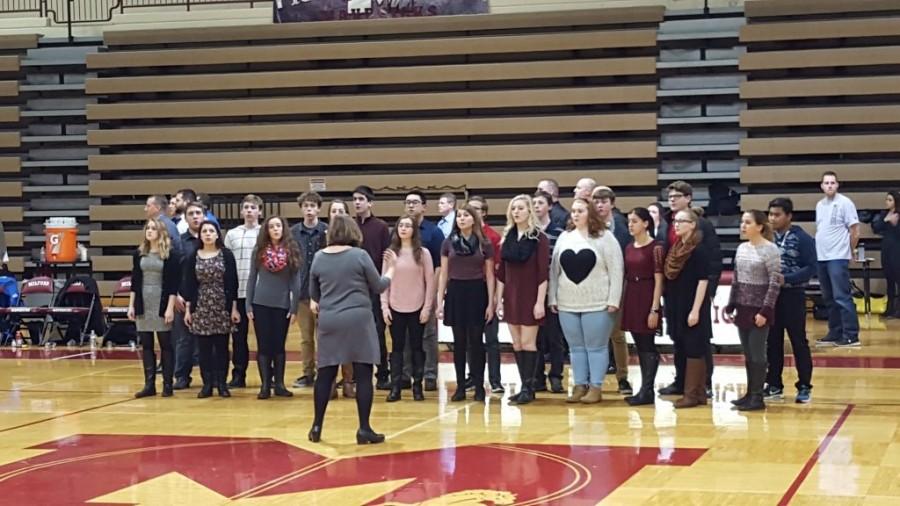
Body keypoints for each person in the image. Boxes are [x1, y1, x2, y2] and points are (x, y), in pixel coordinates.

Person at [308, 215, 396, 444]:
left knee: (325, 373)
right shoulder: (360, 255)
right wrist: (391, 271)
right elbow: (378, 286)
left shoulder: (318, 257)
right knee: (364, 373)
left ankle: (317, 425)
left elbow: (314, 293)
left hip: (329, 319)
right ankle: (364, 428)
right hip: (358, 318)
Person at [549, 198, 623, 404]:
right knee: (575, 347)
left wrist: (614, 299)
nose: (575, 214)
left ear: (590, 213)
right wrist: (552, 297)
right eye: (573, 211)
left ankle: (596, 386)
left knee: (596, 346)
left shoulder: (605, 237)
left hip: (598, 302)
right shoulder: (565, 237)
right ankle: (580, 385)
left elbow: (616, 270)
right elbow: (555, 270)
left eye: (580, 211)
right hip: (567, 302)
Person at [659, 181, 721, 396]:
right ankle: (681, 380)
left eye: (677, 196)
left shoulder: (702, 225)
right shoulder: (667, 223)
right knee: (678, 337)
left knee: (699, 338)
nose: (672, 199)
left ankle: (704, 383)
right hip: (674, 290)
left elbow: (713, 261)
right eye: (670, 196)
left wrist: (710, 291)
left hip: (695, 290)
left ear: (689, 198)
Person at [436, 204, 495, 402]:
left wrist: (491, 303)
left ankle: (479, 385)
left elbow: (490, 274)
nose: (461, 219)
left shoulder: (483, 243)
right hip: (455, 292)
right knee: (459, 342)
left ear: (474, 219)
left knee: (476, 342)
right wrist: (439, 300)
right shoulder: (448, 242)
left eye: (466, 215)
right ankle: (460, 386)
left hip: (477, 292)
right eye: (459, 216)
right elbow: (444, 273)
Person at [725, 210, 782, 412]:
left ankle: (758, 396)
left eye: (747, 222)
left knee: (758, 354)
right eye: (742, 222)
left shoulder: (770, 250)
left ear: (759, 226)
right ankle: (750, 393)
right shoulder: (741, 248)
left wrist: (765, 311)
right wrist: (731, 303)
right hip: (743, 308)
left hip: (760, 310)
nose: (743, 226)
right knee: (748, 354)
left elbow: (775, 284)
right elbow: (736, 279)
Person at [496, 195, 549, 405]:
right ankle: (523, 385)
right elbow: (502, 273)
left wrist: (539, 302)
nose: (516, 212)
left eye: (520, 208)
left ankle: (530, 386)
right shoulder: (507, 236)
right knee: (516, 343)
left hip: (530, 295)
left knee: (528, 342)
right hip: (511, 295)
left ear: (529, 211)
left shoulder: (539, 238)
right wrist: (498, 300)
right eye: (513, 209)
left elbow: (543, 272)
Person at [183, 221, 240, 399]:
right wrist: (188, 310)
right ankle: (207, 384)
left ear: (217, 235)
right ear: (200, 235)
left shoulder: (226, 255)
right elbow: (189, 285)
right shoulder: (193, 255)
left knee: (222, 347)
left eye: (211, 231)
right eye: (204, 231)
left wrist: (234, 309)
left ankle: (222, 383)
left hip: (221, 305)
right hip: (201, 305)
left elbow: (233, 283)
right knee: (204, 348)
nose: (208, 234)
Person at [247, 216, 302, 400]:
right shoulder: (259, 250)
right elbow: (252, 278)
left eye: (278, 226)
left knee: (278, 345)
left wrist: (294, 308)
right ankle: (264, 385)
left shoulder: (291, 250)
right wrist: (248, 304)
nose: (275, 229)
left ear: (283, 229)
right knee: (264, 346)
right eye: (272, 226)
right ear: (267, 230)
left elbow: (296, 281)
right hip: (260, 303)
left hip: (282, 304)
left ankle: (279, 384)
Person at [766, 198, 816, 404]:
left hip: (793, 296)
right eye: (770, 214)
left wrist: (788, 279)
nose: (772, 218)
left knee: (798, 341)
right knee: (773, 342)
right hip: (770, 297)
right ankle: (774, 384)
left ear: (789, 216)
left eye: (777, 215)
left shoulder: (802, 238)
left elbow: (812, 267)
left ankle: (804, 385)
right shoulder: (766, 237)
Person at [381, 215, 435, 402]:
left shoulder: (423, 253)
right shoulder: (390, 253)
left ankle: (417, 386)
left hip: (417, 307)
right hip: (395, 306)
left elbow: (430, 282)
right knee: (397, 348)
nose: (403, 228)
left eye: (408, 226)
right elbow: (384, 282)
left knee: (416, 347)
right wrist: (385, 307)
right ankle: (395, 387)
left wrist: (427, 308)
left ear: (414, 230)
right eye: (400, 225)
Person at [664, 209, 712, 409]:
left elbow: (703, 281)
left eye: (682, 221)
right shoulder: (676, 246)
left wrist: (695, 310)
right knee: (682, 344)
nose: (677, 224)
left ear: (692, 224)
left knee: (694, 346)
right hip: (677, 302)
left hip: (693, 304)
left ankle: (691, 393)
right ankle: (699, 392)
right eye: (675, 221)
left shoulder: (698, 249)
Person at [128, 218, 181, 398]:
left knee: (165, 344)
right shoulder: (139, 253)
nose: (149, 231)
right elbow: (135, 281)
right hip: (143, 299)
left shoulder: (170, 254)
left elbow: (172, 285)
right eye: (147, 228)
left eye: (153, 228)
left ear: (161, 232)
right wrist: (131, 305)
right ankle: (149, 384)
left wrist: (169, 308)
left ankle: (167, 384)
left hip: (161, 300)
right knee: (147, 344)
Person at [620, 208, 664, 406]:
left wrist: (654, 308)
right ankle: (645, 389)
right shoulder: (629, 247)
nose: (630, 224)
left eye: (635, 221)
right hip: (632, 294)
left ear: (646, 223)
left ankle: (647, 389)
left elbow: (659, 279)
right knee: (639, 343)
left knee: (647, 345)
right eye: (629, 221)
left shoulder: (656, 248)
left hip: (647, 294)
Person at [592, 186, 632, 395]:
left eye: (604, 201)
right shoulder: (586, 227)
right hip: (593, 287)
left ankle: (623, 377)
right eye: (596, 201)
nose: (600, 205)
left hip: (616, 285)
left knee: (617, 334)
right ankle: (592, 380)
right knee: (593, 336)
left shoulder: (622, 227)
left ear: (612, 204)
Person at [403, 191, 444, 392]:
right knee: (405, 334)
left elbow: (439, 265)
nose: (411, 206)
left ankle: (429, 374)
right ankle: (405, 373)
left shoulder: (434, 232)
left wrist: (433, 290)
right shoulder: (400, 230)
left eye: (415, 202)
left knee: (428, 334)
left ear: (424, 207)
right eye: (408, 203)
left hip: (426, 290)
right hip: (404, 292)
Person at [814, 171, 861, 347]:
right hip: (822, 256)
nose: (830, 186)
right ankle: (835, 332)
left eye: (833, 182)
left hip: (837, 256)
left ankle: (851, 335)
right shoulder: (820, 205)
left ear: (838, 185)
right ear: (821, 186)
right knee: (829, 297)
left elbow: (855, 230)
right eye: (826, 183)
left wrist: (851, 250)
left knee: (842, 296)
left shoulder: (845, 203)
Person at [353, 185, 392, 389]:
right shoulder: (350, 226)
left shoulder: (381, 227)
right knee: (355, 332)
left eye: (361, 199)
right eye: (355, 199)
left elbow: (386, 257)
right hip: (354, 287)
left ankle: (383, 373)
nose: (357, 202)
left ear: (370, 202)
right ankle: (356, 374)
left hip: (375, 286)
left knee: (377, 331)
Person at [223, 194, 262, 388]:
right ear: (241, 211)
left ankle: (268, 376)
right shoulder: (232, 234)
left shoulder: (264, 233)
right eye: (246, 207)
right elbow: (227, 264)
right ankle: (239, 375)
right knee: (238, 338)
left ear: (259, 211)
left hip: (260, 293)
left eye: (253, 208)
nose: (249, 211)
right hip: (238, 294)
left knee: (264, 337)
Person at [290, 192, 328, 388]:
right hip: (302, 293)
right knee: (306, 338)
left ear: (319, 208)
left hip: (325, 293)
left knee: (324, 336)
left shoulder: (327, 231)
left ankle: (325, 372)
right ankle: (307, 373)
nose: (309, 209)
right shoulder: (293, 232)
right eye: (306, 206)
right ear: (301, 208)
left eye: (313, 206)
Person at [466, 195, 503, 393]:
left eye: (477, 209)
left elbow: (497, 271)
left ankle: (495, 380)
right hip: (468, 292)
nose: (473, 212)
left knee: (491, 339)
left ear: (484, 212)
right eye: (469, 209)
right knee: (472, 339)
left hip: (487, 290)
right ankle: (473, 378)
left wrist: (495, 298)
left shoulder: (493, 237)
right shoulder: (461, 236)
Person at [532, 191, 566, 394]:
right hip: (533, 289)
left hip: (553, 289)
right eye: (534, 203)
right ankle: (537, 377)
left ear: (550, 206)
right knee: (535, 337)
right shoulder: (529, 232)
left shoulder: (559, 232)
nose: (536, 206)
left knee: (554, 337)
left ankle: (556, 376)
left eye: (540, 203)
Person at [325, 199, 356, 398]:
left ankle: (348, 382)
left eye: (341, 211)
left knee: (349, 345)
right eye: (334, 210)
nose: (337, 214)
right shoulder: (323, 237)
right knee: (329, 345)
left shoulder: (354, 246)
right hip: (328, 299)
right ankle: (328, 383)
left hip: (348, 300)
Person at [173, 202, 205, 390]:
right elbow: (173, 270)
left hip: (207, 298)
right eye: (191, 213)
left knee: (208, 340)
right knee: (184, 339)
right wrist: (175, 294)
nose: (195, 216)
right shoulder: (178, 242)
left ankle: (210, 377)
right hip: (183, 297)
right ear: (185, 218)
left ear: (204, 216)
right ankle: (182, 376)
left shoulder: (213, 240)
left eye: (198, 213)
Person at [872, 190, 900, 319]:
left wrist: (895, 224)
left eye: (890, 200)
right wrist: (886, 220)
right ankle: (889, 309)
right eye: (886, 199)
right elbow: (876, 228)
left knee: (898, 281)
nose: (887, 202)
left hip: (897, 250)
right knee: (889, 281)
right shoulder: (884, 214)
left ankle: (898, 310)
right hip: (886, 249)